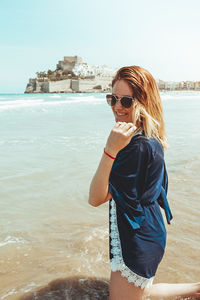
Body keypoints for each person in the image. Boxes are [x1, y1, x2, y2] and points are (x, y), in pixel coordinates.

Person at [88, 66, 200, 299]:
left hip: (138, 240)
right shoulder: (150, 137)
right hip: (145, 231)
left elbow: (95, 198)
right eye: (113, 99)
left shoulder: (135, 147)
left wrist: (110, 149)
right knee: (142, 292)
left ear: (142, 102)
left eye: (126, 101)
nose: (117, 107)